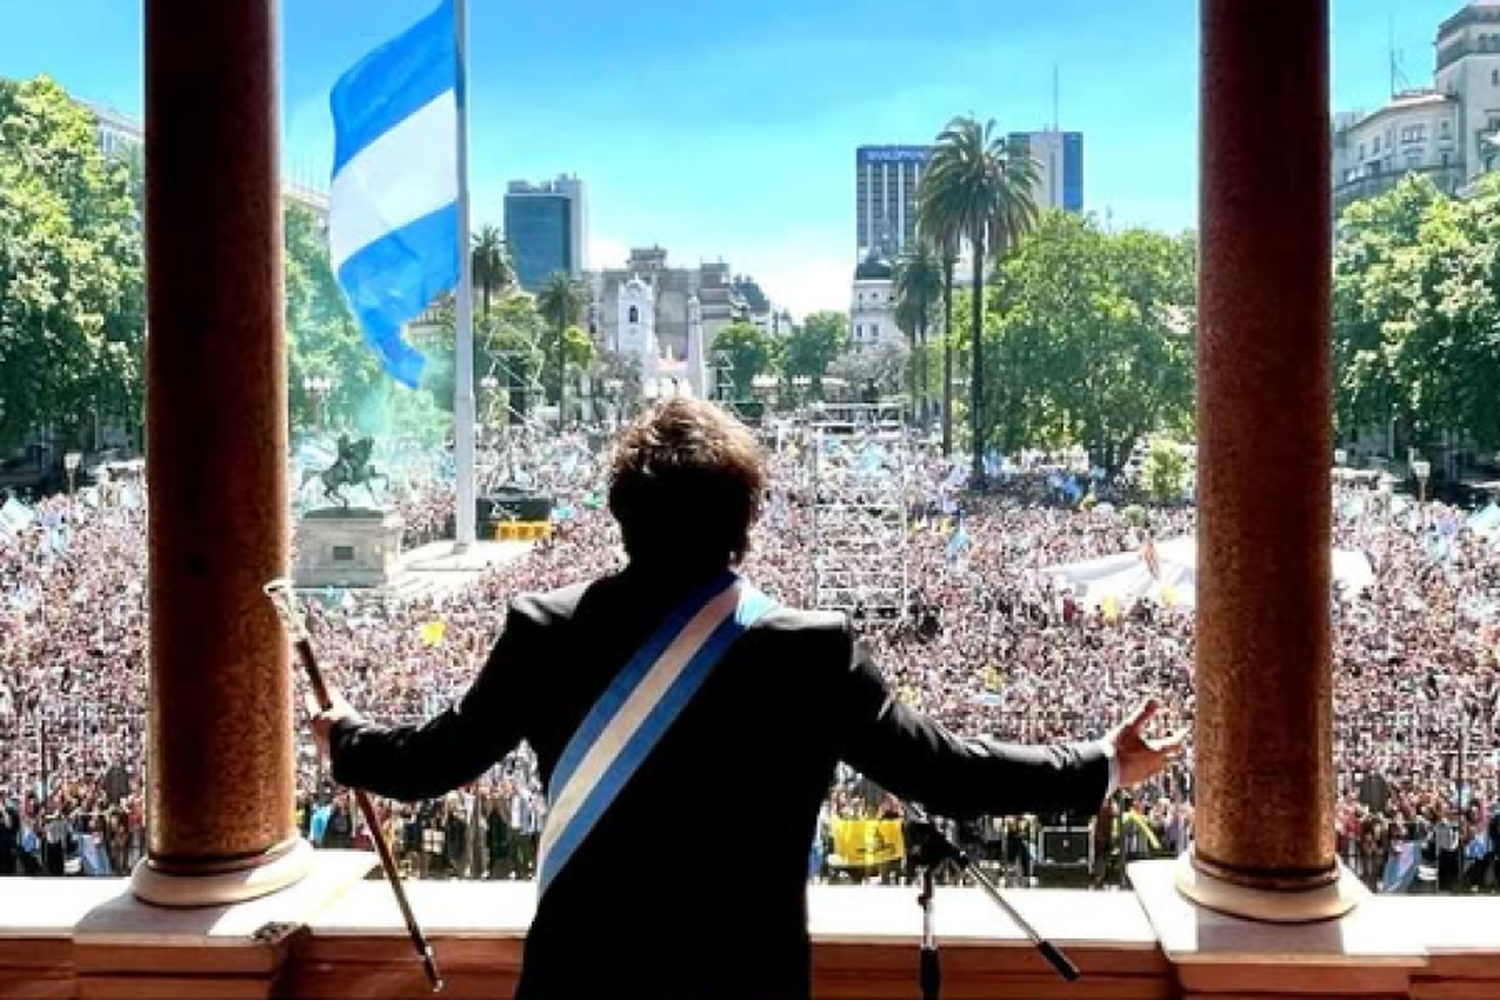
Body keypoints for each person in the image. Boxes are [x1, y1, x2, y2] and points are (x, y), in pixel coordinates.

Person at [312, 398, 1185, 1000]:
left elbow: (434, 762)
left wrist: (346, 736)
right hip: (743, 980)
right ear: (746, 521)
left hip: (580, 976)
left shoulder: (546, 629)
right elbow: (946, 772)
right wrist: (1101, 765)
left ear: (619, 513)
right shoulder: (808, 651)